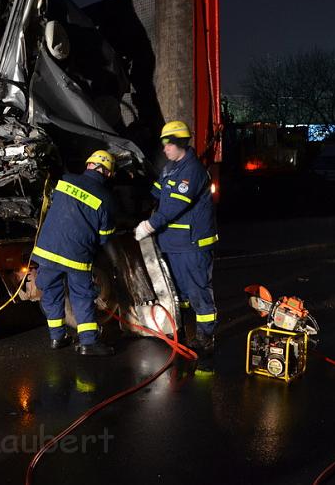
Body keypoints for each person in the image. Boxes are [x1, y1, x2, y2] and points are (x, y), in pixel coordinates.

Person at [134, 120, 218, 355]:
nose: (164, 149)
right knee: (178, 293)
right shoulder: (171, 168)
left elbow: (172, 207)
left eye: (167, 144)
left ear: (180, 143)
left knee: (198, 291)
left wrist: (149, 225)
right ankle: (179, 328)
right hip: (173, 245)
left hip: (192, 246)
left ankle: (205, 336)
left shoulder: (192, 171)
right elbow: (156, 192)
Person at [33, 150, 117, 356]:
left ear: (88, 165)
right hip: (76, 256)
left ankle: (57, 337)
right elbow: (105, 236)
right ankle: (88, 343)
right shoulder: (106, 199)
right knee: (82, 296)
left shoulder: (64, 181)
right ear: (108, 174)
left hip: (47, 250)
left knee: (51, 294)